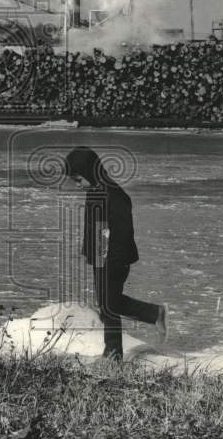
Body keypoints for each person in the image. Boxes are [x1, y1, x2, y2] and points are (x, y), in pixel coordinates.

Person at [63, 146, 167, 361]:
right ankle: (154, 313)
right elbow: (98, 227)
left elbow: (123, 232)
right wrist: (93, 255)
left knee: (109, 305)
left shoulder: (114, 194)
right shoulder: (95, 191)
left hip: (115, 259)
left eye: (78, 179)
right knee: (109, 303)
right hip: (102, 258)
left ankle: (113, 354)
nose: (78, 184)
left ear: (89, 171)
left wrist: (111, 259)